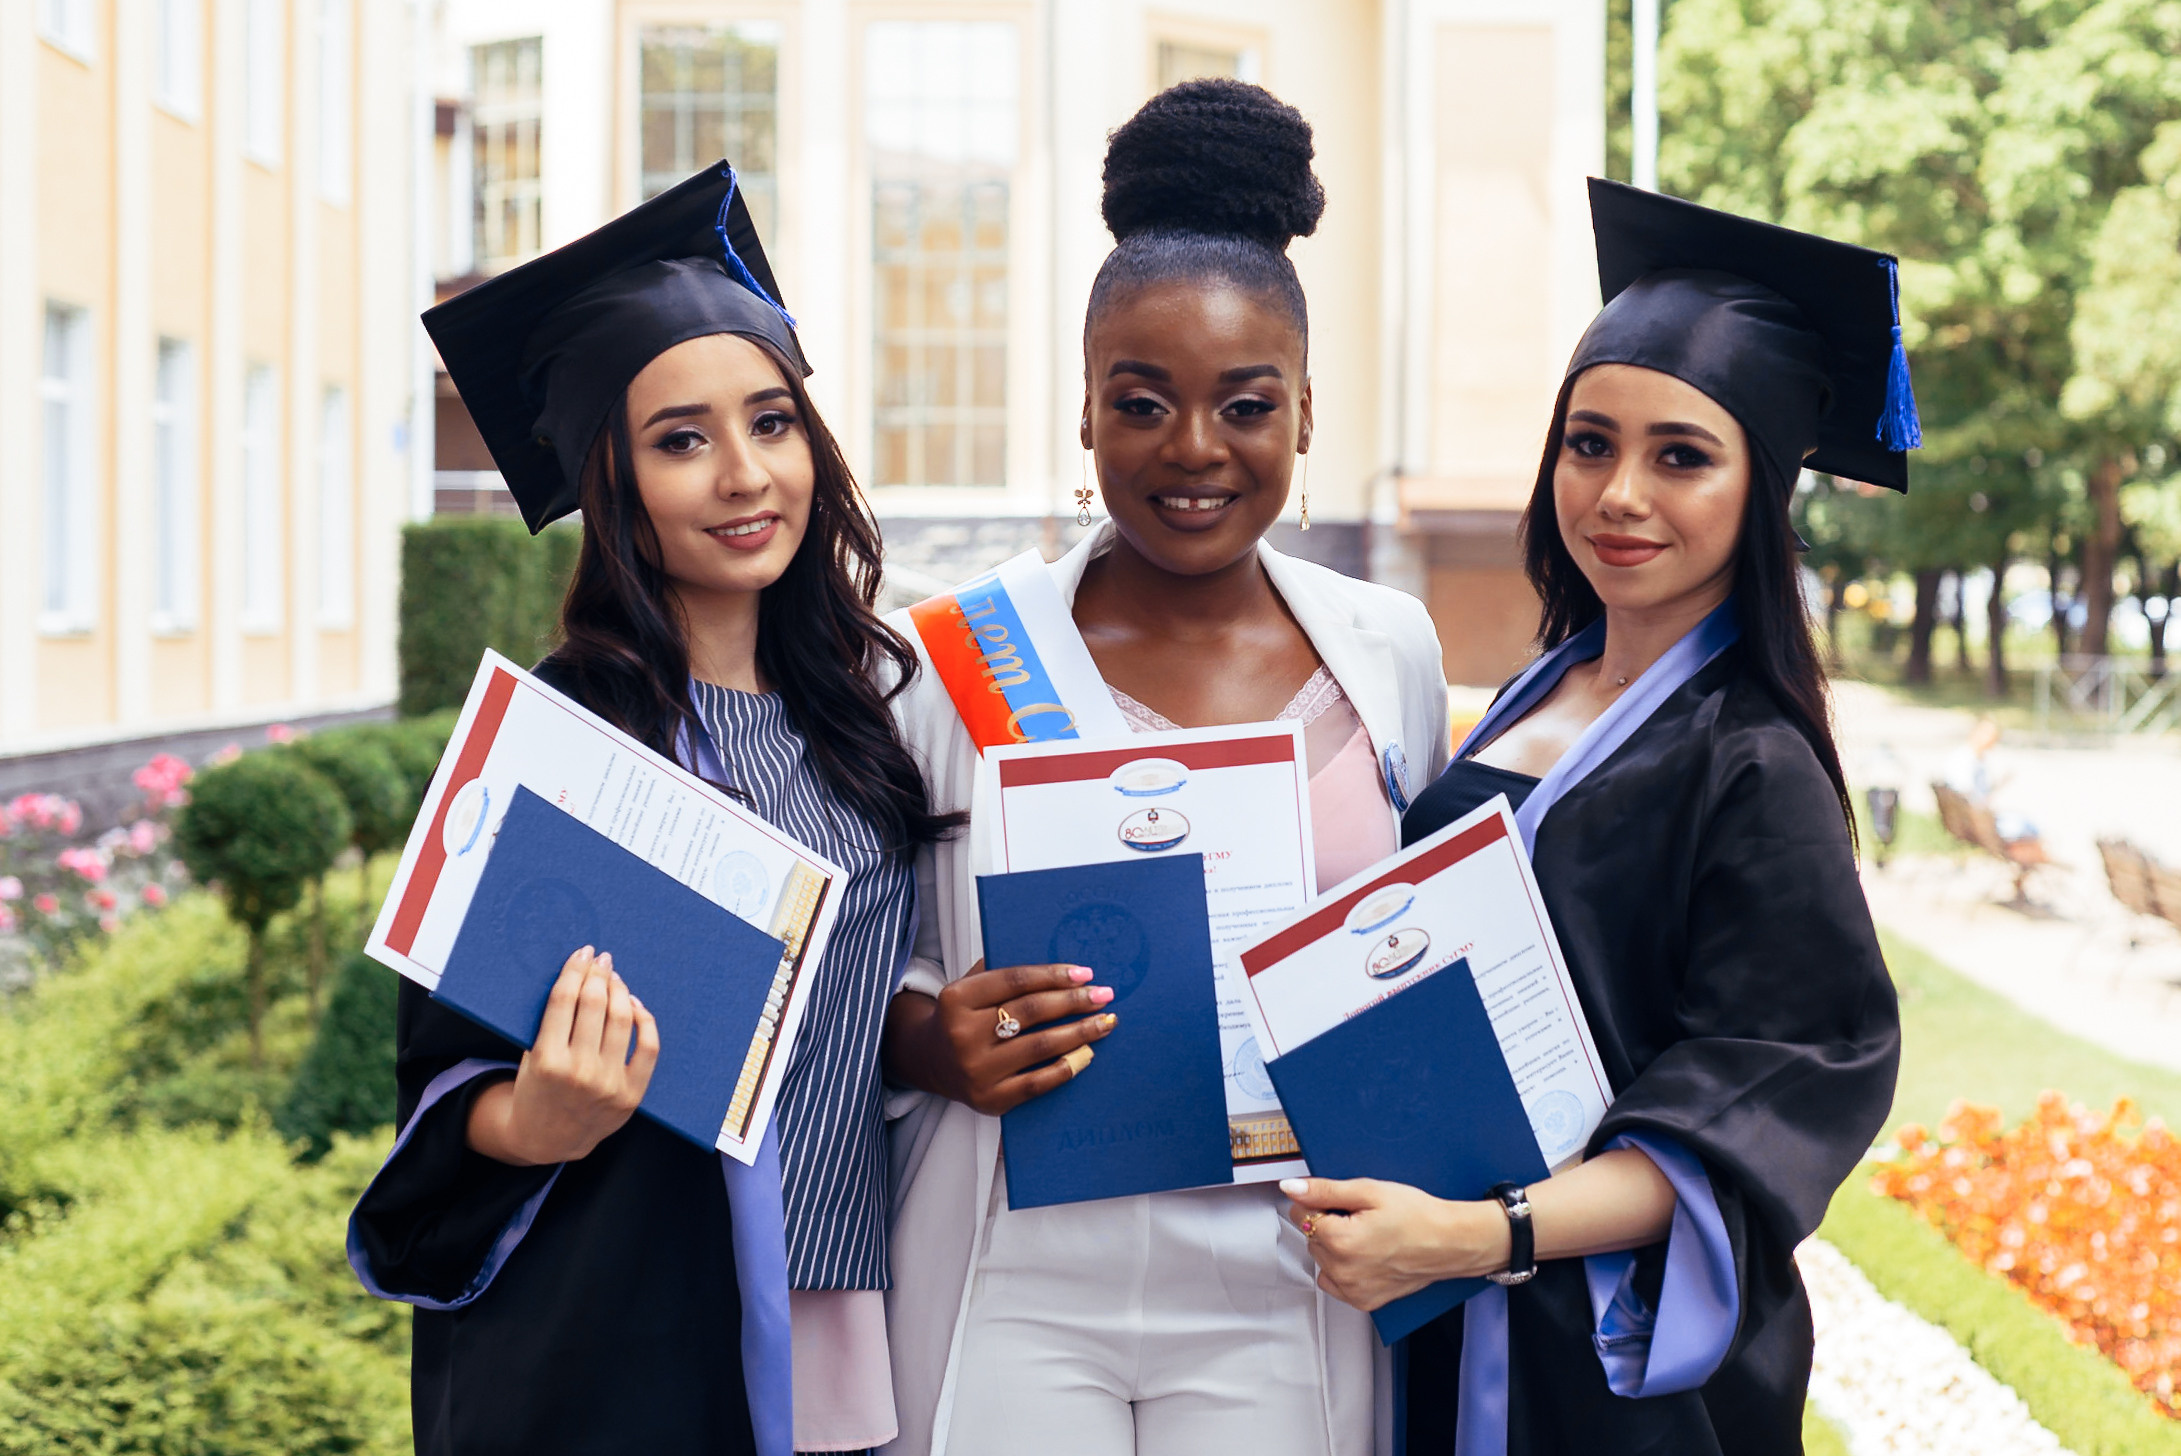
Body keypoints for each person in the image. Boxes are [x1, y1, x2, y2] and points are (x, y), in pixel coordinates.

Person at [1278, 179, 1907, 1454]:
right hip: (1441, 1298)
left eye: (1683, 454)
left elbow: (1760, 1098)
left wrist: (1480, 1231)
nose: (1620, 492)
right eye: (1589, 441)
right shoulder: (1540, 686)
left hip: (1620, 1370)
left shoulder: (1751, 761)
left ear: (1762, 489)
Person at [878, 80, 1450, 1456]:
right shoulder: (943, 660)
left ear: (1304, 417)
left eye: (1244, 404)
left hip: (1284, 1278)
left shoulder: (1390, 659)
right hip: (1007, 1274)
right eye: (1142, 403)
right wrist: (927, 1039)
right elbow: (852, 967)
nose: (1192, 451)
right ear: (1084, 414)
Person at [346, 164, 953, 1456]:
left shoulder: (870, 713)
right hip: (634, 1344)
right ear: (609, 477)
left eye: (772, 423)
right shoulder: (559, 750)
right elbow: (441, 1091)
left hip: (858, 1319)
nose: (745, 476)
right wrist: (536, 1117)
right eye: (683, 439)